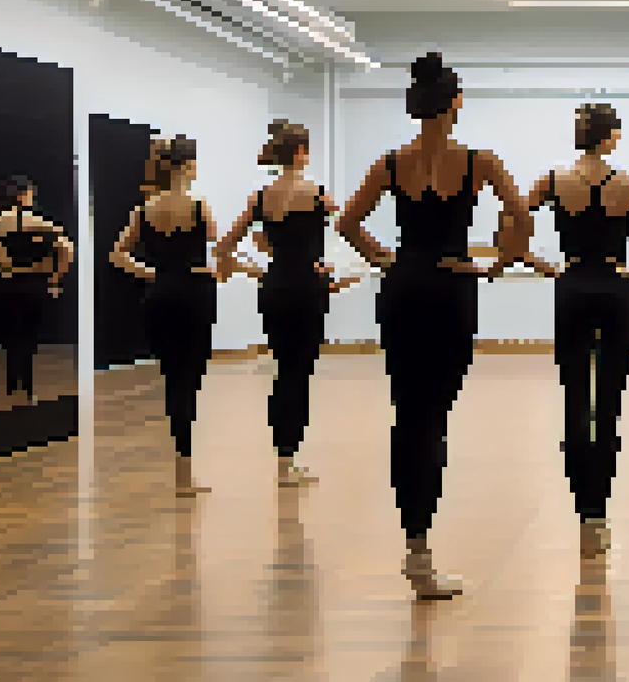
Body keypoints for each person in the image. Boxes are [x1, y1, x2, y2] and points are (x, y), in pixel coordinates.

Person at [336, 52, 530, 600]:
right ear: (454, 104)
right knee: (435, 415)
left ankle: (416, 546)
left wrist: (388, 259)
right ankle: (421, 556)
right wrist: (496, 263)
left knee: (409, 413)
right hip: (451, 285)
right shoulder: (478, 161)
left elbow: (349, 222)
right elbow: (522, 218)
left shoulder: (391, 162)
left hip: (403, 286)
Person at [520, 104, 629, 558]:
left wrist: (545, 268)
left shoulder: (552, 181)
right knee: (608, 405)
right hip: (616, 290)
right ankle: (599, 515)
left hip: (571, 287)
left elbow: (511, 235)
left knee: (576, 401)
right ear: (611, 136)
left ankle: (583, 512)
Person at [214, 121, 361, 489]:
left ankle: (284, 458)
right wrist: (332, 268)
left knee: (284, 370)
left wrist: (244, 270)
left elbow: (224, 246)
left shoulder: (260, 197)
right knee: (300, 372)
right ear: (299, 152)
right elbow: (348, 229)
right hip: (307, 288)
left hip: (274, 287)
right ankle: (288, 459)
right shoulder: (317, 195)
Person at [111, 135, 225, 498]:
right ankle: (184, 473)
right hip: (194, 295)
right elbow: (216, 251)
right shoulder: (199, 205)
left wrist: (154, 274)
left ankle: (182, 471)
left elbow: (118, 255)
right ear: (189, 166)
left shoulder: (144, 209)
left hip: (160, 296)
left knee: (173, 378)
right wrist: (213, 271)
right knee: (189, 381)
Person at [0, 175, 74, 404]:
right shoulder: (41, 222)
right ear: (21, 195)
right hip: (34, 283)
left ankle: (11, 383)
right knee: (30, 335)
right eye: (29, 193)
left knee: (10, 334)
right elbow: (67, 249)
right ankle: (27, 385)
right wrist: (55, 278)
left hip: (6, 283)